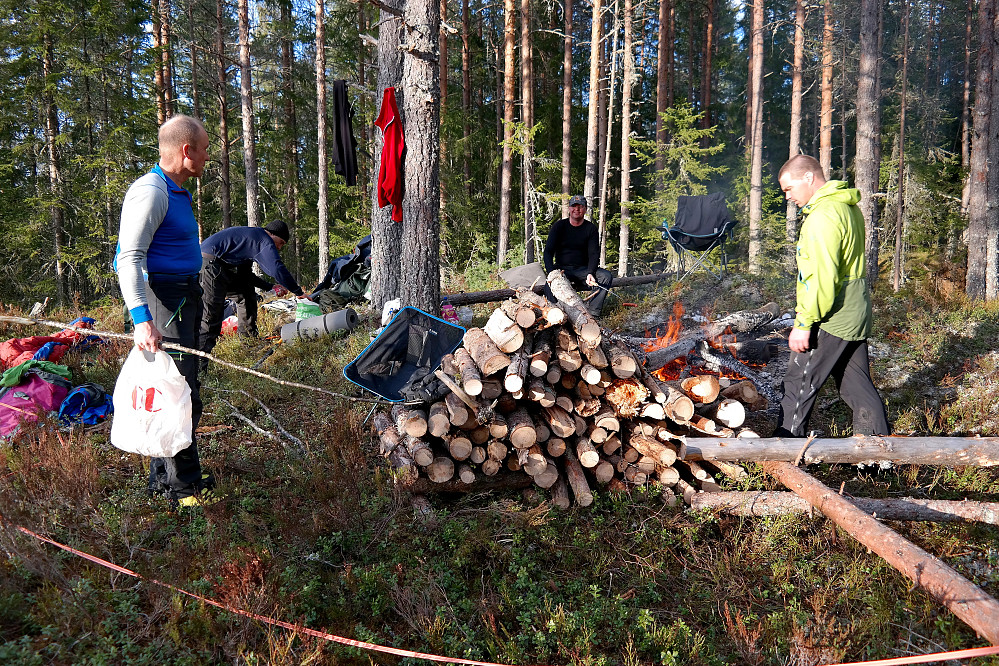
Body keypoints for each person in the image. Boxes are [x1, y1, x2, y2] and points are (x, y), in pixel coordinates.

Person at [115, 114, 213, 506]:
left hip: (182, 298)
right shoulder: (151, 192)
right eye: (205, 149)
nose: (208, 157)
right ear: (186, 151)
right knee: (178, 394)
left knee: (172, 389)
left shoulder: (175, 190)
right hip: (162, 302)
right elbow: (128, 258)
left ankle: (162, 479)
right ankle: (185, 488)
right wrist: (142, 319)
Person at [774, 154, 890, 438]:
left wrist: (804, 324)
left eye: (789, 189)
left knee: (799, 382)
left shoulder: (823, 217)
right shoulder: (845, 207)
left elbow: (822, 278)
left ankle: (784, 452)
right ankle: (879, 458)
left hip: (832, 314)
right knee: (856, 386)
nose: (787, 197)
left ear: (809, 177)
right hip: (855, 310)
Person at [198, 219, 307, 356]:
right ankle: (199, 362)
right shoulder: (263, 239)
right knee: (211, 315)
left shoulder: (249, 241)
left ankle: (248, 342)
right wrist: (298, 292)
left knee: (246, 293)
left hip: (220, 265)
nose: (279, 248)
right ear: (273, 234)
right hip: (209, 264)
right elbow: (276, 268)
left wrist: (270, 286)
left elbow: (246, 276)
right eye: (281, 243)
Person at [543, 195, 614, 316]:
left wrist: (590, 272)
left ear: (585, 209)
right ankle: (554, 315)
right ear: (569, 209)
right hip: (562, 270)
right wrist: (551, 273)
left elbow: (593, 253)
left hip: (583, 270)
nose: (577, 209)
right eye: (574, 206)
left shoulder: (590, 229)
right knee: (549, 286)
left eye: (580, 206)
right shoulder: (559, 227)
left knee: (605, 276)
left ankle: (592, 314)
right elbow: (548, 251)